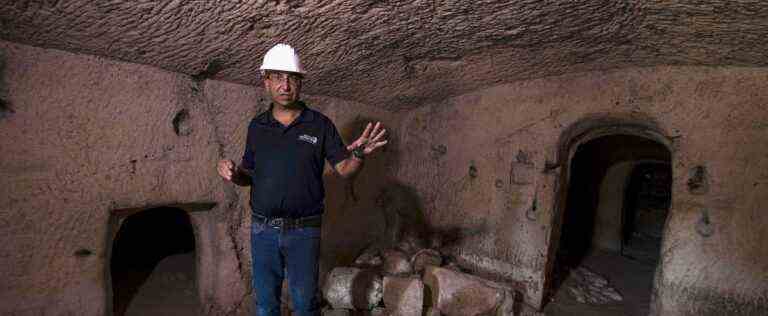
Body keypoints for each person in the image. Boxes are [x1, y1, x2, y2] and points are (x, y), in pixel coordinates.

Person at [216, 44, 387, 316]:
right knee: (265, 304)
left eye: (292, 77)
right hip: (263, 231)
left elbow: (344, 168)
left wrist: (357, 155)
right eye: (278, 77)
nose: (285, 85)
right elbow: (249, 175)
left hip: (304, 232)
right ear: (266, 81)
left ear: (300, 81)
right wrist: (233, 172)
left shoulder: (319, 125)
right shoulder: (257, 127)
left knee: (305, 304)